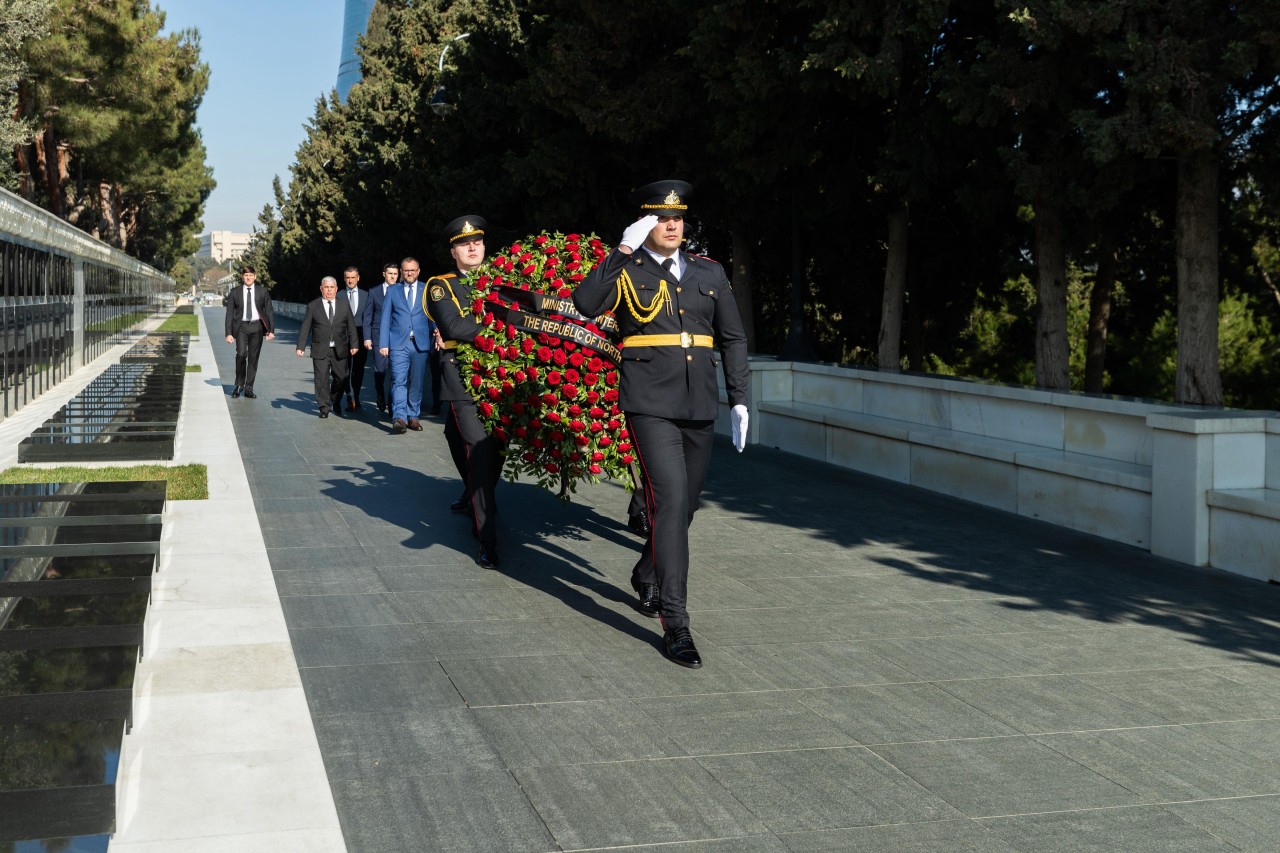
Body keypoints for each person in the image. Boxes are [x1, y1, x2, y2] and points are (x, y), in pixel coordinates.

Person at [573, 180, 750, 669]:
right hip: (649, 402)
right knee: (669, 499)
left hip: (699, 405)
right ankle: (676, 622)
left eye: (677, 218)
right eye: (659, 218)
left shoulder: (708, 272)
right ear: (646, 223)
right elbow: (586, 302)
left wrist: (739, 399)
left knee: (686, 505)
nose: (670, 225)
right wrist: (623, 247)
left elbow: (732, 338)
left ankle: (648, 570)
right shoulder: (628, 269)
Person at [425, 215, 501, 570]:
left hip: (500, 375)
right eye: (463, 244)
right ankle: (488, 537)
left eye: (477, 242)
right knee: (480, 452)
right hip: (461, 374)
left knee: (472, 441)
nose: (472, 248)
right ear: (453, 251)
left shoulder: (502, 281)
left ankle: (473, 490)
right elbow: (453, 325)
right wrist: (503, 326)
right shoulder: (440, 285)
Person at [378, 257, 435, 433]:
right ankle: (399, 417)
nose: (409, 273)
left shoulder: (427, 289)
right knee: (398, 380)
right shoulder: (393, 291)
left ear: (418, 271)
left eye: (412, 270)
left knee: (417, 382)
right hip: (398, 344)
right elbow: (385, 318)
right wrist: (383, 343)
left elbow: (433, 315)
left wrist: (438, 332)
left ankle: (413, 417)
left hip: (420, 344)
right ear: (401, 272)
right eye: (406, 270)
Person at [295, 276, 359, 418]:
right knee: (321, 379)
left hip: (340, 349)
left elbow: (351, 326)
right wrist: (301, 346)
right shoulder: (313, 306)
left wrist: (354, 344)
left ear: (336, 289)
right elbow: (306, 327)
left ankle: (334, 399)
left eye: (332, 288)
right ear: (321, 289)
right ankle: (323, 407)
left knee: (341, 377)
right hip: (320, 349)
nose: (329, 290)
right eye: (326, 287)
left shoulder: (344, 305)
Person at [223, 266, 275, 399]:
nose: (248, 277)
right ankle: (239, 384)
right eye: (246, 275)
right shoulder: (235, 292)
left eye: (251, 275)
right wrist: (229, 333)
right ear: (242, 277)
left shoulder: (262, 292)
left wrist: (271, 331)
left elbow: (269, 311)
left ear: (255, 276)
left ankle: (249, 388)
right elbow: (229, 313)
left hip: (257, 327)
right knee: (241, 354)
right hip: (241, 327)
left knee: (253, 358)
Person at [363, 262, 398, 413]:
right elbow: (368, 316)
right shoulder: (374, 292)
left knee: (396, 372)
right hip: (378, 337)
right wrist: (367, 337)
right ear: (384, 274)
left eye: (395, 274)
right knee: (380, 370)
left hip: (397, 338)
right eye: (390, 273)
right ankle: (380, 395)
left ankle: (392, 403)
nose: (393, 276)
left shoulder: (403, 290)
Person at [339, 266, 369, 411]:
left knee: (359, 369)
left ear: (358, 278)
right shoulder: (339, 295)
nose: (350, 280)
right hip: (343, 339)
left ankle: (356, 396)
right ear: (344, 279)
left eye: (353, 277)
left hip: (361, 337)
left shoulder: (366, 295)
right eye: (347, 278)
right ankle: (349, 396)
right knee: (345, 370)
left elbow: (369, 318)